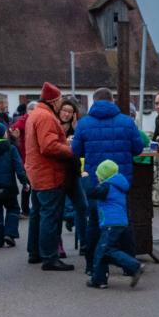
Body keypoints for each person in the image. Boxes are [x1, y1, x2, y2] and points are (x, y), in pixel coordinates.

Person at [70, 87, 145, 273]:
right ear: (113, 100)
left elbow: (76, 151)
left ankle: (94, 267)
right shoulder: (127, 122)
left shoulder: (84, 124)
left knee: (94, 223)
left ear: (94, 101)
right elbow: (138, 148)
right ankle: (129, 265)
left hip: (97, 182)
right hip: (120, 182)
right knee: (123, 223)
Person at [24, 82, 75, 271]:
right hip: (48, 174)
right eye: (60, 99)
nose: (61, 103)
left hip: (37, 172)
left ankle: (35, 252)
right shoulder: (46, 117)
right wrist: (71, 150)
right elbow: (49, 146)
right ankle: (50, 257)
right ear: (54, 100)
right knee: (50, 216)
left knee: (37, 214)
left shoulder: (35, 114)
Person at [85, 159, 145, 289]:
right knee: (101, 251)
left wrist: (85, 180)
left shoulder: (107, 187)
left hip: (111, 224)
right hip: (121, 223)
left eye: (98, 176)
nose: (97, 179)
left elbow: (91, 193)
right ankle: (99, 280)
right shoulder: (118, 186)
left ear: (103, 177)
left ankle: (134, 266)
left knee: (106, 250)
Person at [0, 122, 28, 249]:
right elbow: (18, 167)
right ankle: (9, 233)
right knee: (13, 209)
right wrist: (24, 181)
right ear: (3, 134)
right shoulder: (11, 148)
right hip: (9, 186)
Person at [58, 97, 88, 251]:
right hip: (57, 173)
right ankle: (58, 246)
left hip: (74, 171)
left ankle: (84, 242)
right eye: (64, 111)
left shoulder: (76, 128)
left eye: (70, 112)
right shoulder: (53, 126)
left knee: (82, 207)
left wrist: (76, 131)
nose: (67, 114)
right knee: (56, 211)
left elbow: (82, 150)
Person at [11, 101, 35, 215]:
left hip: (30, 155)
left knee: (30, 184)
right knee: (28, 184)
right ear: (29, 110)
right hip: (26, 156)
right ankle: (25, 210)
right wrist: (16, 135)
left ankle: (27, 209)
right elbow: (13, 128)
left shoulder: (27, 119)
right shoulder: (25, 119)